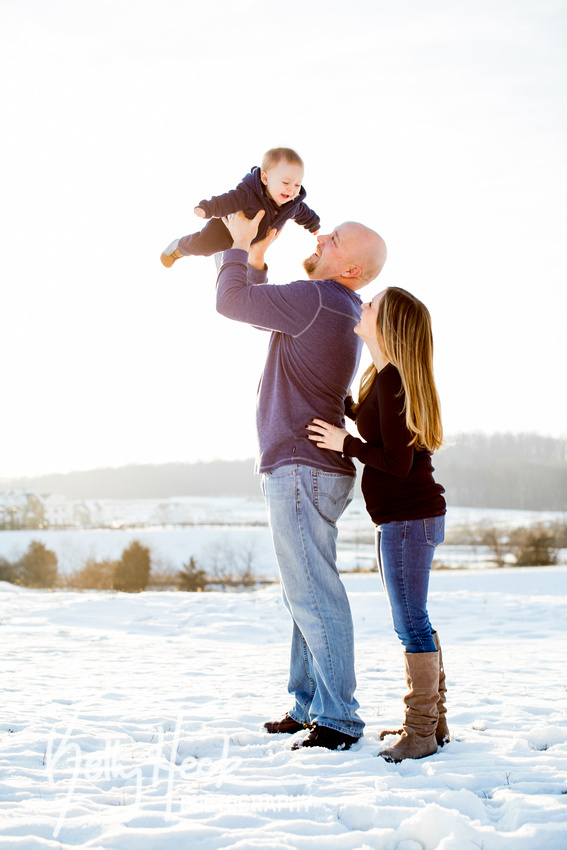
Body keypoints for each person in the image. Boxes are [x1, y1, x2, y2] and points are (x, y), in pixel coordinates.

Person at [215, 209, 387, 751]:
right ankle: (308, 704)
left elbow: (231, 302)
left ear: (352, 269)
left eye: (334, 240)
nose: (320, 236)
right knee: (304, 593)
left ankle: (338, 719)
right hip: (314, 470)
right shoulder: (331, 306)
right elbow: (260, 310)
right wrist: (257, 257)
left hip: (300, 468)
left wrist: (239, 245)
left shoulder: (316, 300)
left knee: (313, 595)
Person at [307, 286, 448, 763]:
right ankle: (433, 723)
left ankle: (422, 730)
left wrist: (344, 442)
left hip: (409, 520)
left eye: (372, 304)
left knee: (410, 623)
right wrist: (344, 409)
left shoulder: (391, 379)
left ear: (386, 326)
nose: (362, 305)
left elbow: (396, 461)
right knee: (416, 620)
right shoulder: (384, 377)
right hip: (409, 519)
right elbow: (385, 432)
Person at [160, 147, 320, 267]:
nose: (292, 189)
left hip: (247, 242)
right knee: (203, 246)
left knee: (236, 266)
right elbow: (228, 200)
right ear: (265, 178)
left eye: (297, 185)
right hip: (222, 231)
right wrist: (207, 208)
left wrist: (313, 223)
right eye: (285, 183)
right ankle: (180, 246)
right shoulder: (248, 194)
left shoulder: (292, 204)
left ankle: (224, 259)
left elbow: (303, 212)